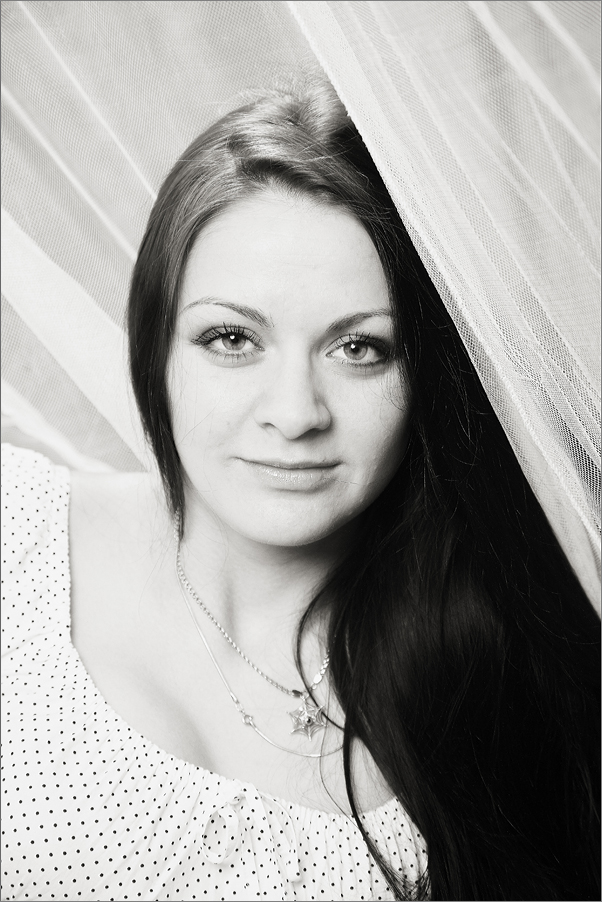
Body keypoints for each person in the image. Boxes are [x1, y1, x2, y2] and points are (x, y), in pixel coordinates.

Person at [1, 79, 599, 902]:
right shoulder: (15, 531)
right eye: (232, 338)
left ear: (429, 375)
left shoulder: (494, 673)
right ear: (156, 348)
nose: (293, 414)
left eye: (359, 349)